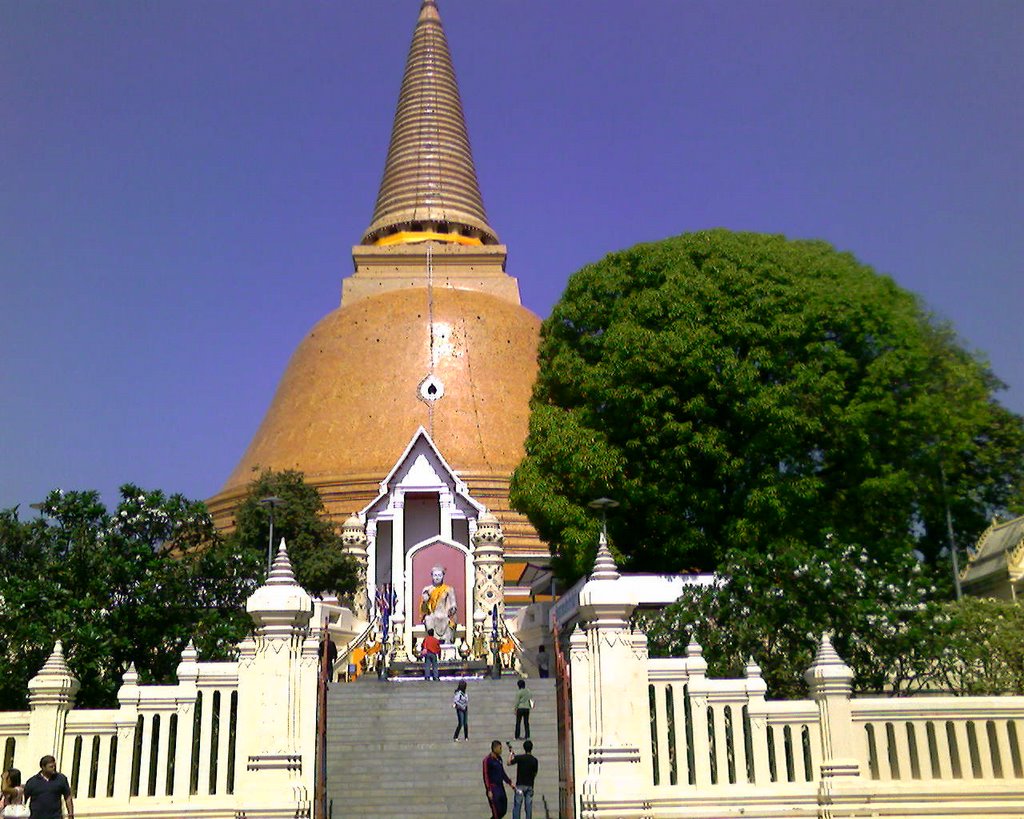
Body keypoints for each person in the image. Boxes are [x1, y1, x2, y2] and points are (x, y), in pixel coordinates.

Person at [420, 565, 457, 643]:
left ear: (443, 576)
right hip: (432, 615)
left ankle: (447, 641)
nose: (437, 577)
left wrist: (452, 609)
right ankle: (432, 641)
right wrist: (425, 600)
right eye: (435, 575)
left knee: (448, 621)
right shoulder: (427, 589)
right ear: (432, 576)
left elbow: (453, 603)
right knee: (428, 619)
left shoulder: (448, 589)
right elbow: (423, 609)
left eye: (439, 575)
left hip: (444, 614)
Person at [507, 740, 539, 819]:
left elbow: (508, 763)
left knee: (517, 806)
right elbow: (535, 773)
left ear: (524, 748)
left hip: (520, 785)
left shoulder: (520, 758)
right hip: (530, 785)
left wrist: (511, 753)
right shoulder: (534, 760)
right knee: (528, 807)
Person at [482, 739, 512, 818]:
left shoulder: (499, 759)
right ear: (495, 748)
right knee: (496, 811)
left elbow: (502, 772)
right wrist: (489, 790)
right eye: (500, 748)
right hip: (493, 788)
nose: (501, 750)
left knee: (503, 809)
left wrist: (509, 782)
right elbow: (485, 775)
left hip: (500, 787)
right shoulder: (487, 760)